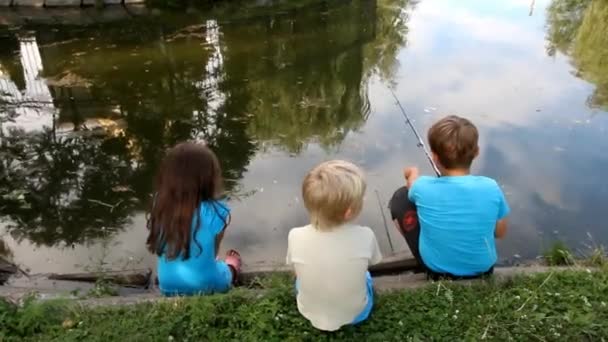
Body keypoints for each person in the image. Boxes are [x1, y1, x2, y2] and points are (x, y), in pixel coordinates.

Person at [390, 115, 510, 280]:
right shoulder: (491, 187)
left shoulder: (422, 186)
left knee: (401, 197)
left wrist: (411, 173)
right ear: (477, 152)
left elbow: (411, 186)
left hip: (437, 272)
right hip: (483, 269)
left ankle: (425, 247)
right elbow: (500, 233)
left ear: (435, 157)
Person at [286, 160, 383, 331]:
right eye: (361, 197)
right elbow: (373, 262)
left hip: (308, 311)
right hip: (357, 314)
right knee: (366, 275)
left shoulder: (295, 235)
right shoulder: (365, 235)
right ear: (348, 212)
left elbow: (295, 270)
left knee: (300, 277)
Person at [146, 142, 241, 296]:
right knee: (228, 268)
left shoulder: (160, 204)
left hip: (167, 284)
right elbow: (213, 252)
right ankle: (233, 267)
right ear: (209, 179)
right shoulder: (218, 211)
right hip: (208, 285)